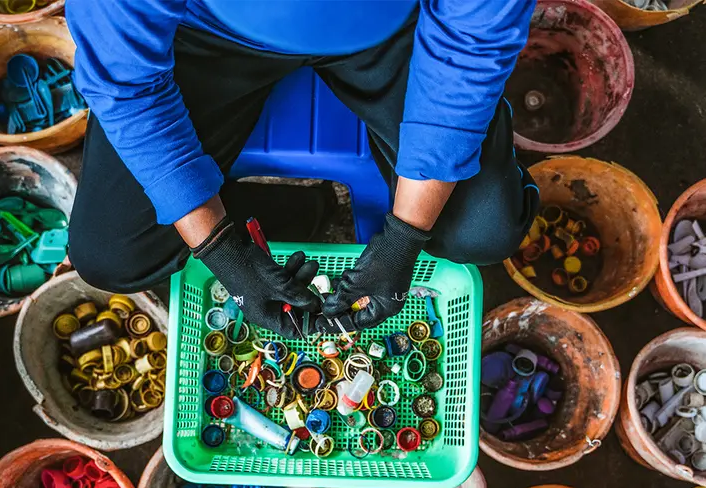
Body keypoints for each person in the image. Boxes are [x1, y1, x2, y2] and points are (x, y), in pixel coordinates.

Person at [66, 0, 539, 339]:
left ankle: (288, 209)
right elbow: (126, 81)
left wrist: (405, 238)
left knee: (480, 230)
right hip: (206, 33)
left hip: (397, 29)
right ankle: (285, 209)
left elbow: (472, 46)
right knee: (112, 253)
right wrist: (219, 248)